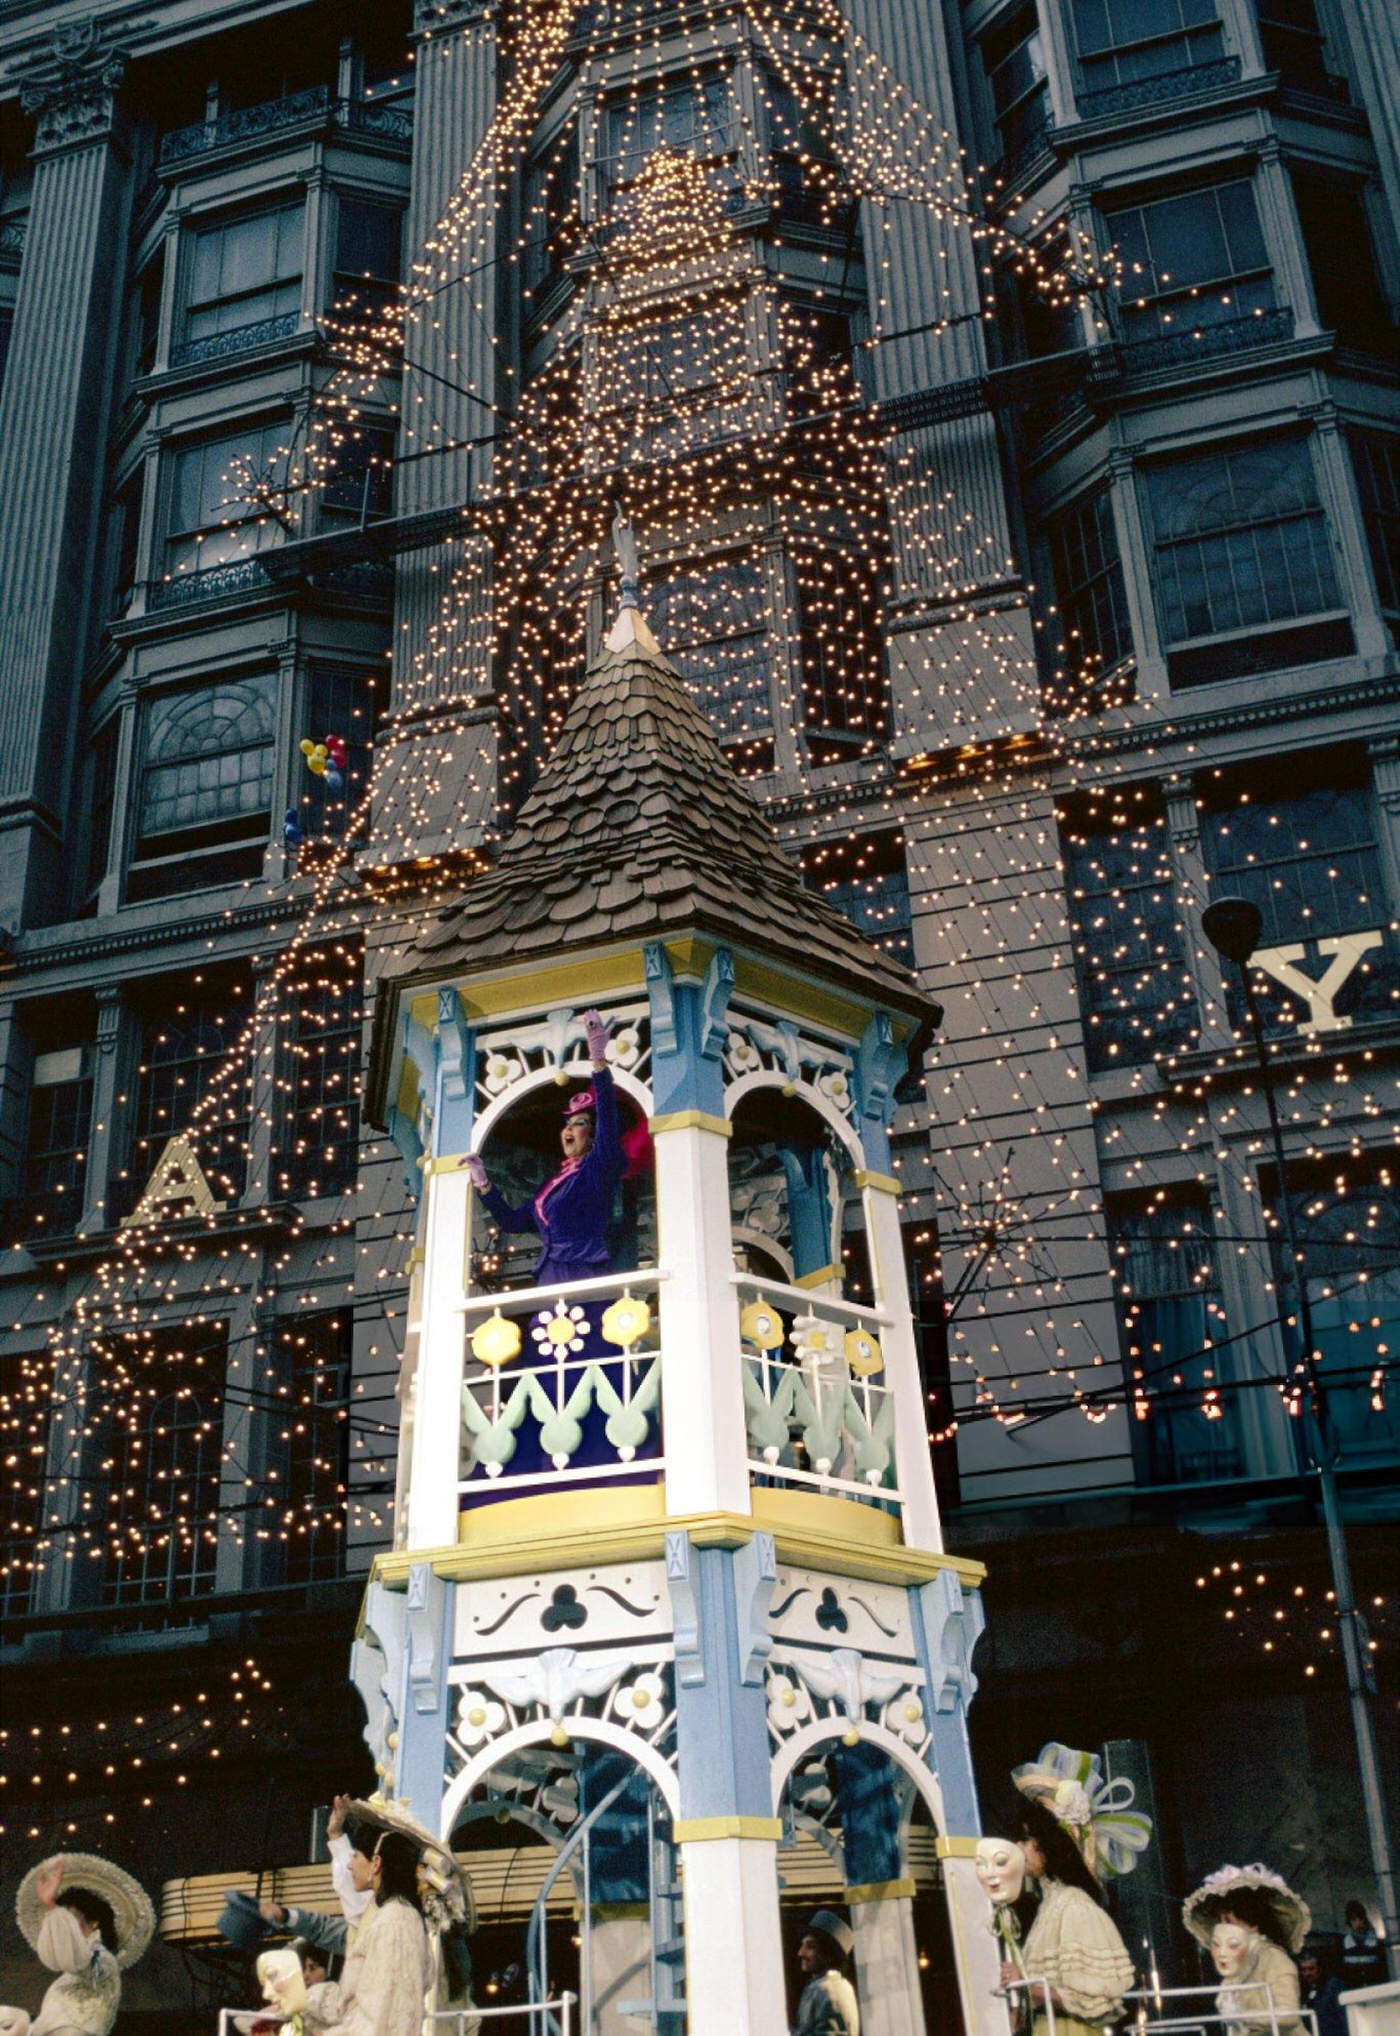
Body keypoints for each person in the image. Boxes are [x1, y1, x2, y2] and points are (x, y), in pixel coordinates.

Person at [466, 1009, 625, 1289]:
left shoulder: (598, 1167)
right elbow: (514, 1222)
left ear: (592, 1134)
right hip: (551, 1274)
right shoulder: (550, 1185)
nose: (569, 1129)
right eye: (567, 1124)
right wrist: (484, 1185)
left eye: (579, 1123)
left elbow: (608, 1120)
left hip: (584, 1270)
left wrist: (598, 1061)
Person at [1007, 1796, 1136, 2035]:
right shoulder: (1049, 1906)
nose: (1018, 1849)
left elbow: (1094, 2000)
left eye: (1025, 1839)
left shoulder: (1075, 1906)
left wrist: (1026, 1985)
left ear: (1048, 1842)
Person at [1, 1852, 155, 2036]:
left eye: (69, 1917)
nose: (64, 1926)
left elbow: (83, 1964)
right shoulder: (66, 1978)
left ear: (94, 1921)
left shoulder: (104, 1961)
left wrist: (51, 1907)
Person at [1184, 1865, 1310, 2036]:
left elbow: (1289, 2015)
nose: (1223, 1927)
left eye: (1229, 1921)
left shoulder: (1274, 1958)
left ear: (1252, 1925)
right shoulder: (1235, 1965)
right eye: (1220, 1921)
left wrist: (1245, 2018)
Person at [260, 1794, 369, 1962]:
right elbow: (321, 1929)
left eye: (355, 1857)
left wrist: (336, 1834)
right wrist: (284, 1915)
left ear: (376, 1863)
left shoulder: (393, 1915)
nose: (349, 1865)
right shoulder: (363, 1934)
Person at [793, 1911, 860, 2035]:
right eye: (802, 1945)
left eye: (811, 1946)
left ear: (829, 1954)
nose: (801, 1953)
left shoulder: (829, 1990)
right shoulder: (820, 1986)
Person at [1299, 1948, 1347, 2036]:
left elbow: (1344, 2016)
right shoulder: (1305, 1991)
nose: (1307, 1973)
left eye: (1311, 1969)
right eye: (1304, 1970)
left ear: (1319, 1969)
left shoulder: (1334, 1986)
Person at [1341, 1902, 1384, 1987]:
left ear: (1365, 1919)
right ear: (1349, 1922)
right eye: (1354, 1920)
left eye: (1360, 1919)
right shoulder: (1342, 1946)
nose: (1358, 1923)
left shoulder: (1377, 1944)